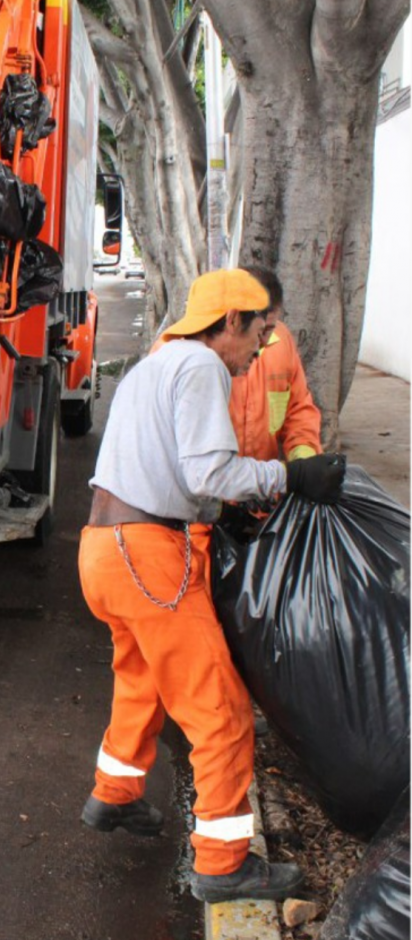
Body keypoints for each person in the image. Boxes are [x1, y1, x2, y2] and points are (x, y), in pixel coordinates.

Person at [77, 268, 344, 904]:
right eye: (259, 330)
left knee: (142, 681)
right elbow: (210, 470)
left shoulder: (155, 365)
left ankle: (114, 795)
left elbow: (173, 469)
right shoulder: (201, 366)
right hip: (149, 555)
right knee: (221, 714)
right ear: (230, 322)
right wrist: (288, 479)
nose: (261, 347)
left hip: (103, 550)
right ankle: (224, 866)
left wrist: (214, 511)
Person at [229, 266, 321, 463]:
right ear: (233, 320)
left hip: (264, 484)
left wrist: (303, 461)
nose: (261, 341)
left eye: (269, 328)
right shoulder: (199, 357)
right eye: (257, 330)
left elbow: (298, 409)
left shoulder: (282, 341)